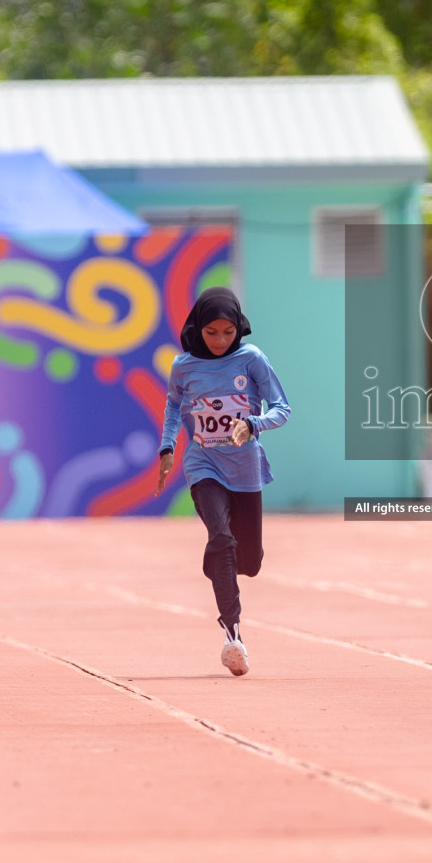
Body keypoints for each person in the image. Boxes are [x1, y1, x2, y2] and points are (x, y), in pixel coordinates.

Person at [156, 288, 289, 676]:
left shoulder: (252, 359)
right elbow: (173, 405)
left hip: (245, 470)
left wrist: (252, 424)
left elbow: (283, 408)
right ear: (198, 328)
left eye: (227, 332)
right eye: (211, 332)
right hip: (204, 464)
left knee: (249, 562)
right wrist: (167, 448)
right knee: (221, 536)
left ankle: (219, 558)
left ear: (238, 328)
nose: (219, 341)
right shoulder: (183, 365)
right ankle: (233, 635)